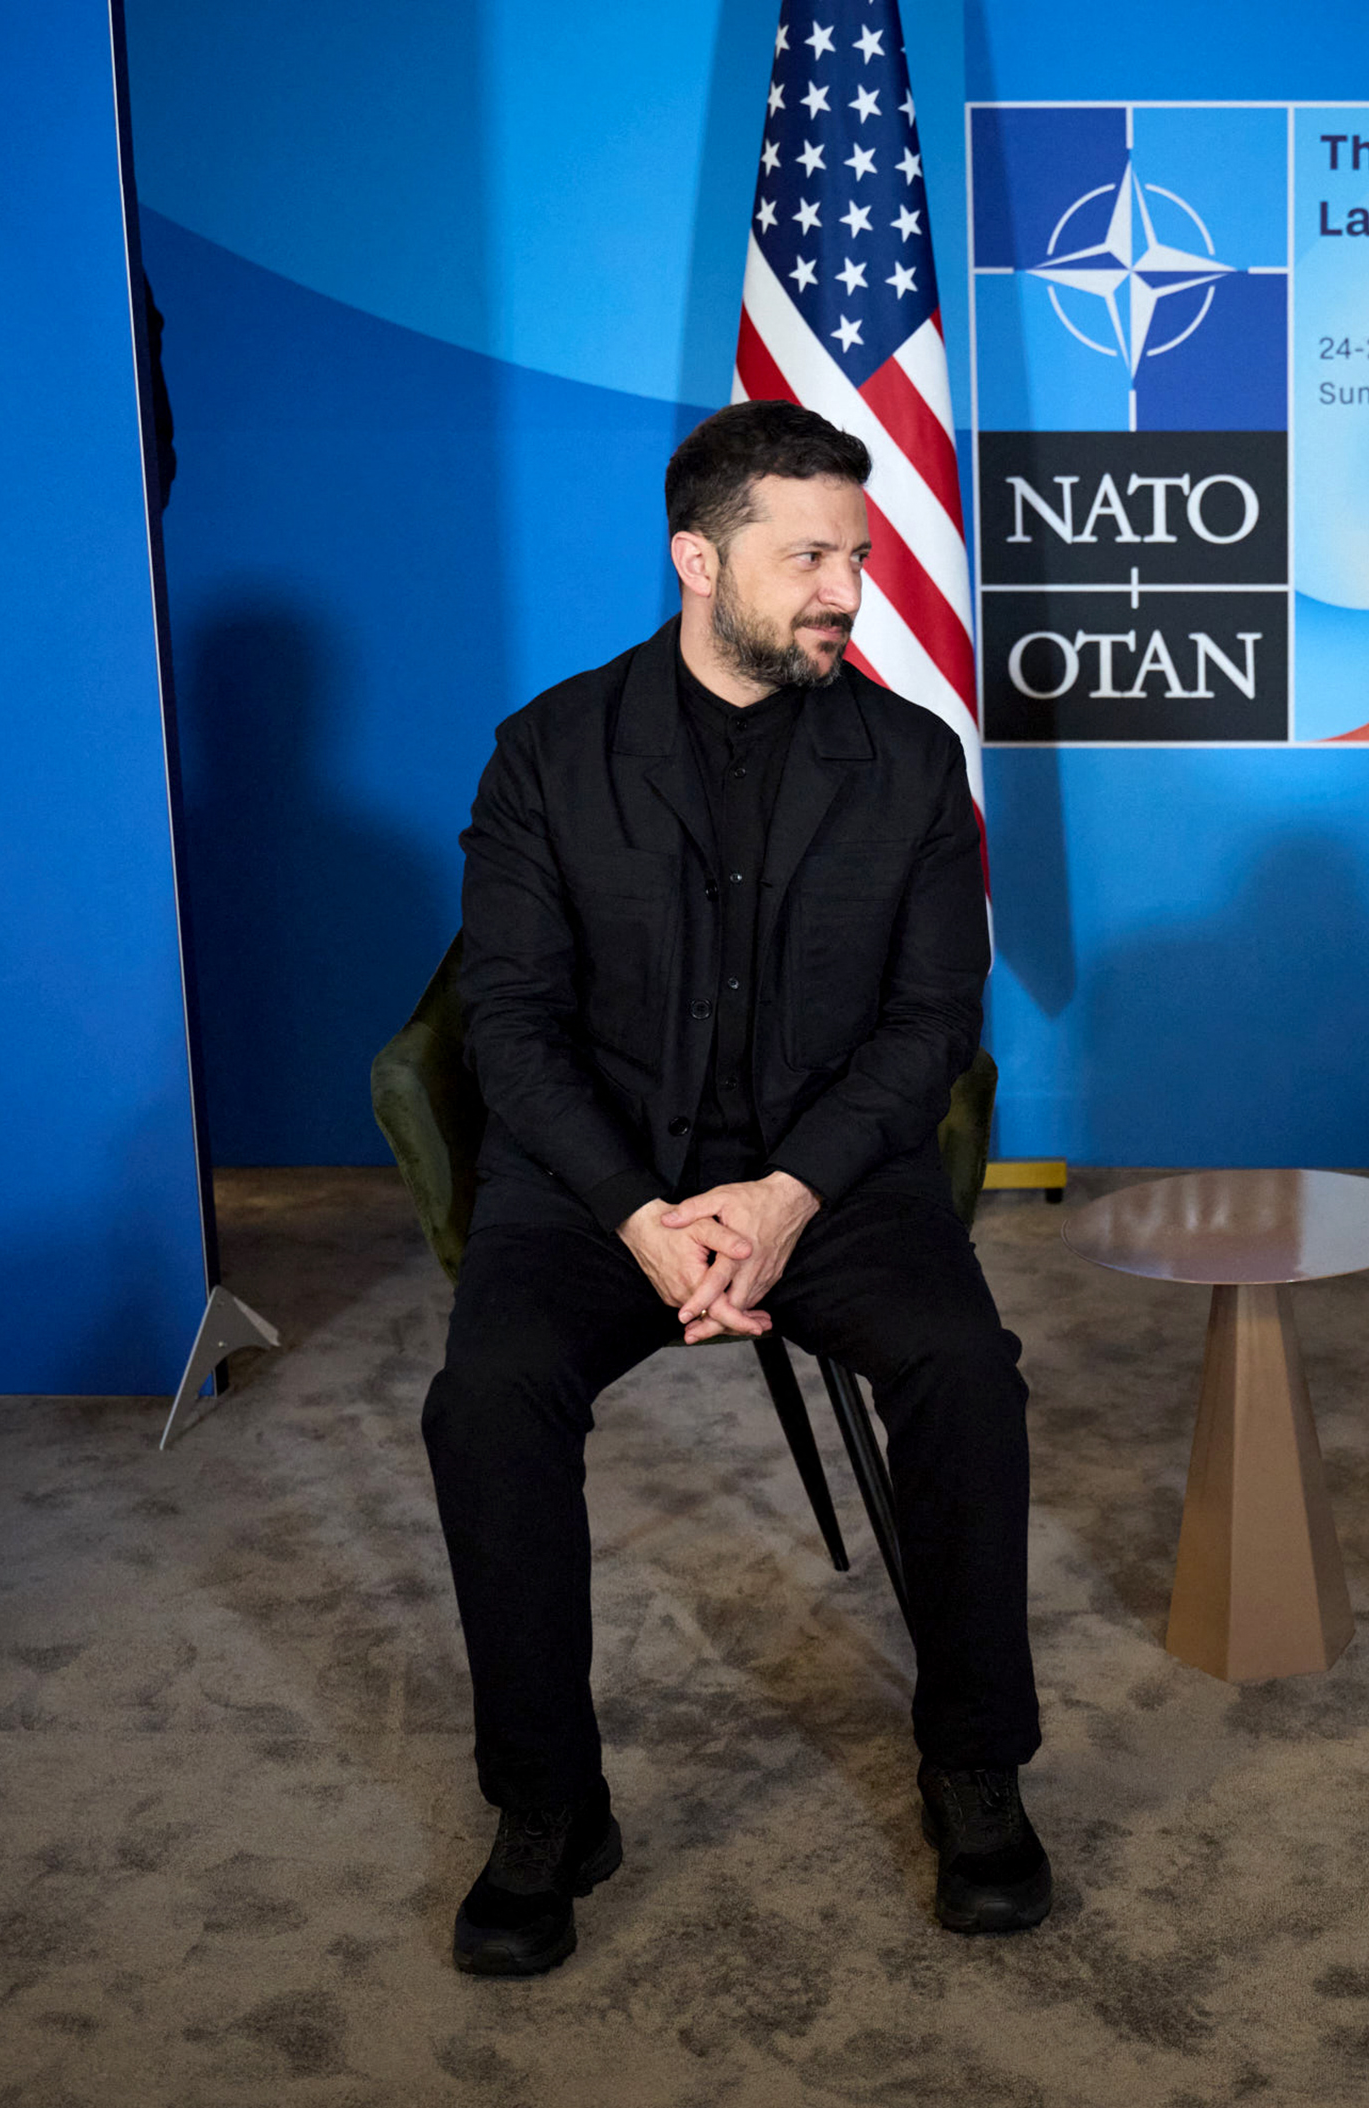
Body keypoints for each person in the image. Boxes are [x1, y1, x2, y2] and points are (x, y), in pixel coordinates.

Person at [419, 401, 1048, 1973]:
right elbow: (505, 1021)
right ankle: (550, 1802)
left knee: (969, 1372)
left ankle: (974, 1764)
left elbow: (931, 1024)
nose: (848, 585)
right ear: (698, 559)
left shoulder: (910, 760)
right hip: (594, 1188)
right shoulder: (547, 754)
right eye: (810, 554)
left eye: (856, 549)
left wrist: (785, 1196)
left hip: (830, 1179)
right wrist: (641, 1211)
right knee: (485, 1394)